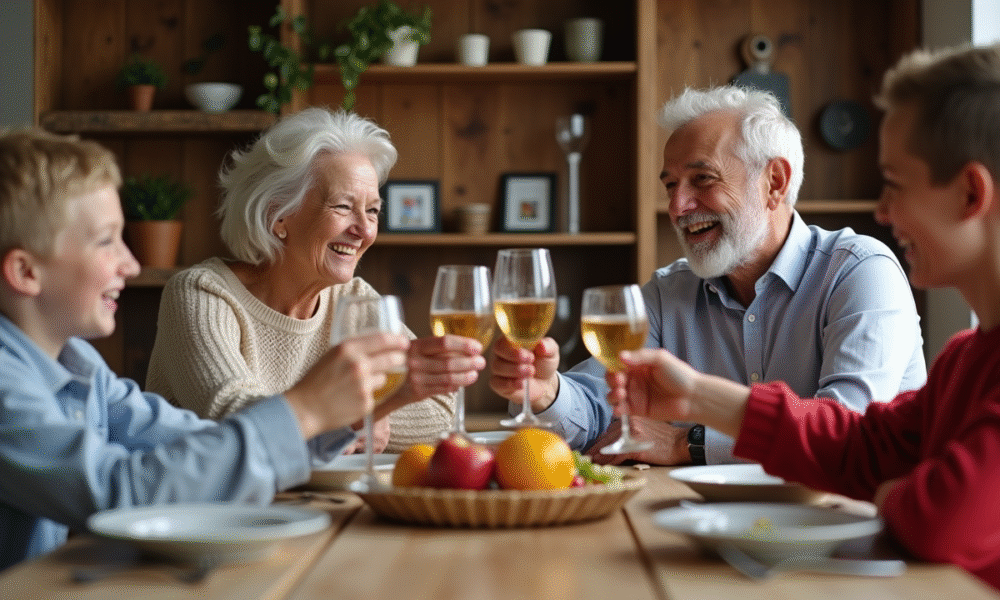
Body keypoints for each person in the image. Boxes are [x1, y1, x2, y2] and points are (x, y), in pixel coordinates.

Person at [607, 42, 1000, 590]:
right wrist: (696, 396)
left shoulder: (865, 273)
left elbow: (937, 521)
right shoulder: (965, 357)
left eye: (894, 183)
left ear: (970, 194)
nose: (882, 211)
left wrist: (899, 492)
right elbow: (862, 448)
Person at [0, 128, 479, 569]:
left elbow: (188, 438)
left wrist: (342, 417)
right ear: (25, 272)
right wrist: (309, 409)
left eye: (372, 210)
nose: (132, 263)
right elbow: (120, 490)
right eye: (107, 242)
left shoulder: (77, 364)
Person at [489, 86, 926, 465]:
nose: (677, 207)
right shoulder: (667, 294)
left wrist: (688, 443)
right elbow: (596, 409)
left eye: (702, 179)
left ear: (774, 182)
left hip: (846, 525)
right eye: (670, 185)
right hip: (709, 521)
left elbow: (846, 432)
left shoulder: (860, 272)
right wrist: (546, 393)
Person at [145, 108, 473, 454]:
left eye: (373, 210)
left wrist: (365, 413)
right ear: (278, 216)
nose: (364, 230)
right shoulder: (202, 294)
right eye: (343, 206)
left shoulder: (354, 299)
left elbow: (441, 412)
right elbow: (231, 413)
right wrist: (352, 415)